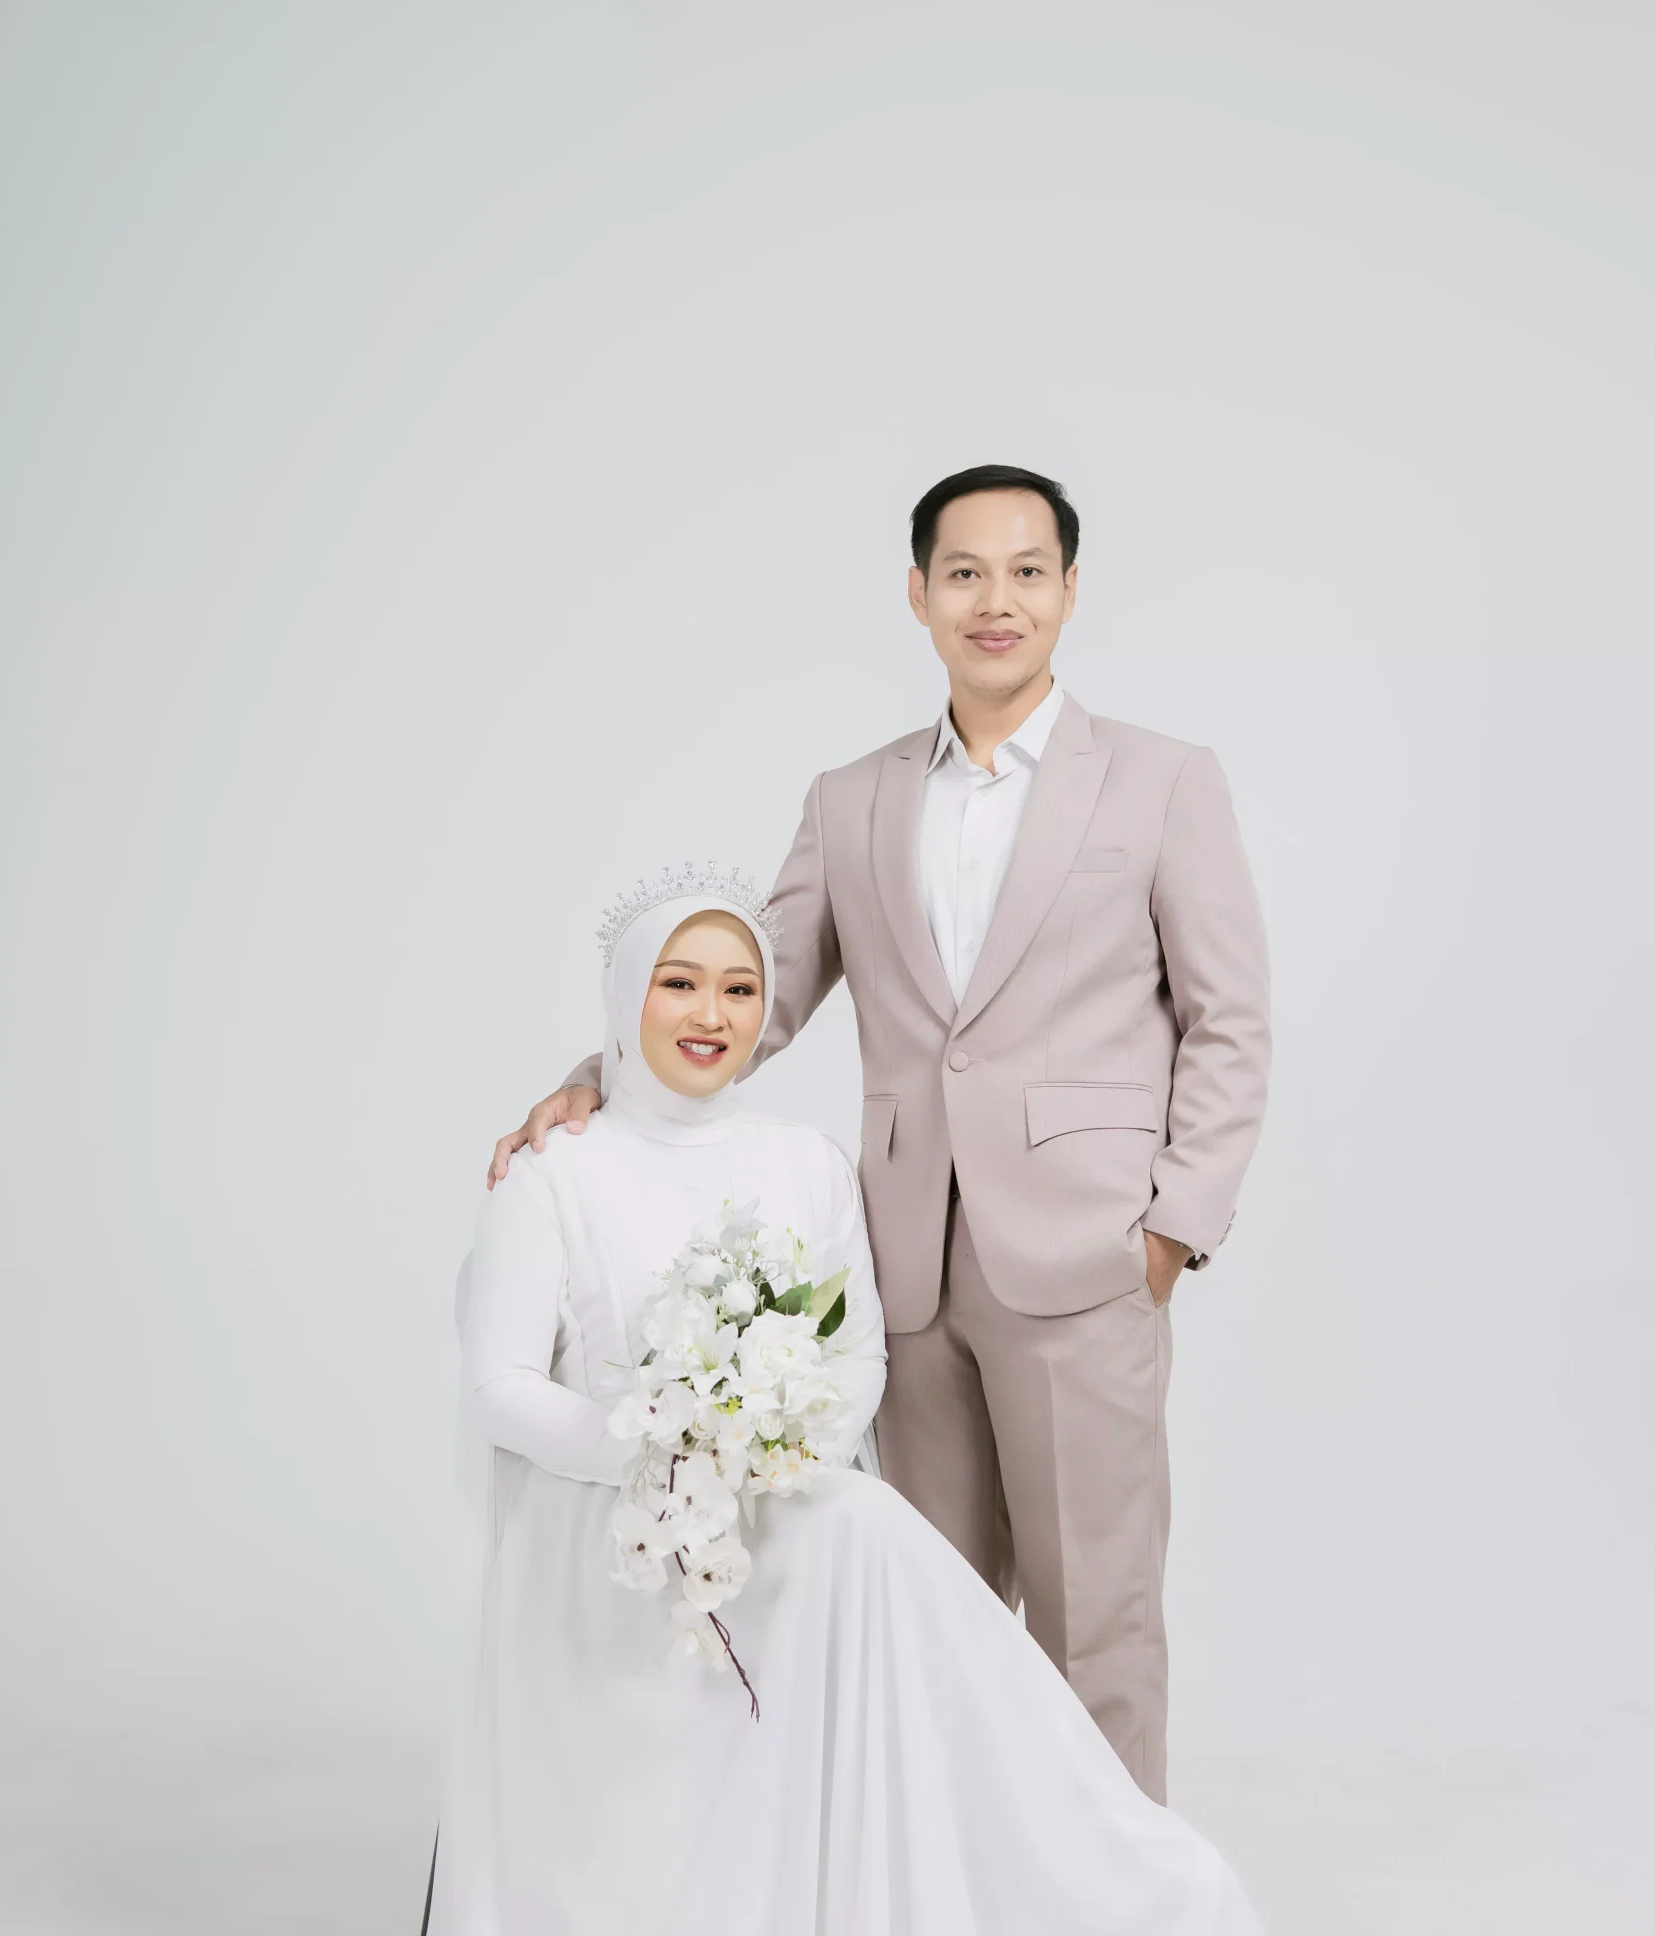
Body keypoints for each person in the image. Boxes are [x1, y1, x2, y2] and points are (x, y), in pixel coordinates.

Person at [138, 869, 1339, 1936]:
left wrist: (760, 1446)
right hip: (609, 1527)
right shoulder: (555, 1176)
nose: (708, 1014)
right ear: (624, 1000)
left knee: (865, 1530)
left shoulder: (803, 1165)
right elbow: (501, 1390)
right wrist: (657, 1450)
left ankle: (1044, 1906)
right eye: (677, 983)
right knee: (851, 1538)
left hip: (773, 1505)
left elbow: (852, 1359)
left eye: (738, 989)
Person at [493, 465, 1271, 1804]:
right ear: (918, 594)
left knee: (1096, 1624)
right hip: (902, 1273)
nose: (995, 600)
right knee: (927, 1620)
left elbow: (1231, 1019)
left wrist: (1170, 1231)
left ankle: (1114, 1912)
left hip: (1088, 1262)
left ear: (1068, 592)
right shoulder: (850, 798)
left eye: (1026, 571)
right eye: (964, 572)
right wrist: (592, 1078)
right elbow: (763, 992)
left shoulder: (1160, 782)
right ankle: (952, 1893)